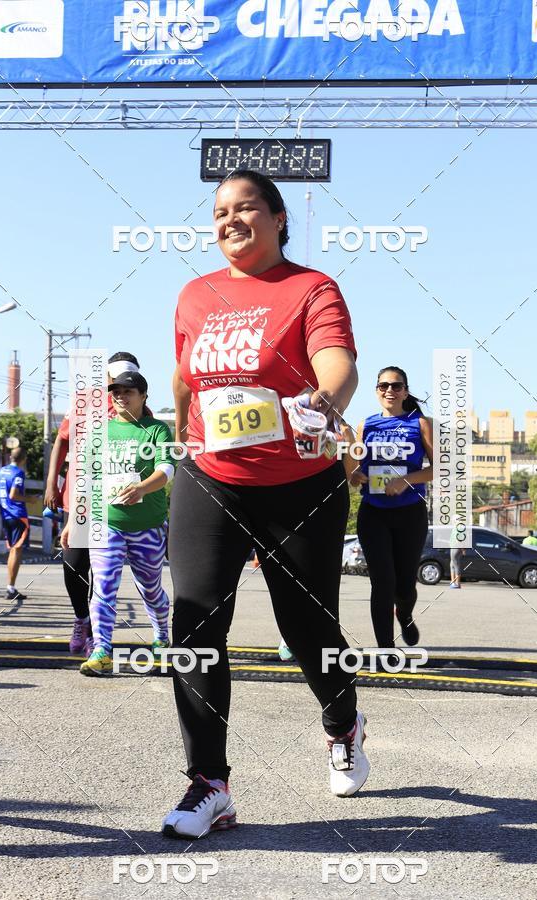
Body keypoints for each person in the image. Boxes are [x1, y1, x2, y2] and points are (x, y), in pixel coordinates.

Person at [163, 169, 368, 841]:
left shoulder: (311, 288)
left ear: (280, 219)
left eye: (245, 206)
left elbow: (337, 361)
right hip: (211, 478)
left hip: (298, 483)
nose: (229, 219)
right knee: (193, 625)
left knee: (308, 631)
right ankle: (210, 785)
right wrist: (180, 439)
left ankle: (341, 724)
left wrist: (322, 401)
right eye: (219, 210)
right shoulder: (194, 295)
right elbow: (184, 375)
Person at [61, 371, 174, 675]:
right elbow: (84, 480)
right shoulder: (99, 433)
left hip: (147, 525)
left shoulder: (156, 430)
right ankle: (101, 651)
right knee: (104, 587)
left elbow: (166, 468)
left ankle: (162, 635)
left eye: (128, 391)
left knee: (150, 589)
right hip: (105, 522)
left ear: (143, 396)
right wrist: (74, 520)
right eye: (116, 392)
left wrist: (142, 487)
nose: (121, 397)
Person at [45, 352, 149, 656]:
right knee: (74, 564)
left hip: (113, 503)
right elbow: (62, 441)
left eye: (128, 385)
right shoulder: (85, 402)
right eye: (116, 383)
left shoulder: (137, 411)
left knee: (101, 570)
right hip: (78, 499)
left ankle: (95, 633)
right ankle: (81, 619)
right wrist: (53, 481)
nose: (121, 392)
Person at [344, 367, 433, 649]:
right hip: (374, 512)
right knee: (382, 583)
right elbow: (354, 469)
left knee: (404, 584)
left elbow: (442, 469)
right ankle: (385, 649)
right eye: (383, 386)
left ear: (405, 391)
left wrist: (406, 480)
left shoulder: (420, 424)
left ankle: (404, 614)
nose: (390, 391)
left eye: (396, 386)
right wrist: (355, 476)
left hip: (410, 513)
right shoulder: (365, 425)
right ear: (376, 391)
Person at [0, 447, 29, 601]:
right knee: (17, 550)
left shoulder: (1, 471)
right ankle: (11, 588)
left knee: (12, 551)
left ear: (10, 457)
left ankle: (10, 587)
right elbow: (14, 495)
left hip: (5, 516)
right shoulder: (19, 473)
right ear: (24, 459)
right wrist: (31, 499)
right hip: (18, 516)